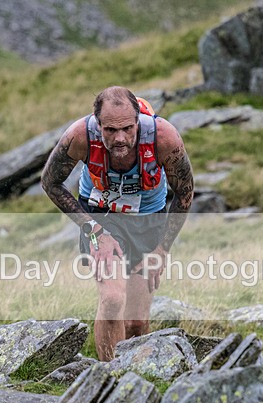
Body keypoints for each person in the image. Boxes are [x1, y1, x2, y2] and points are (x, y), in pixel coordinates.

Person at [41, 86, 194, 361]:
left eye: (127, 128)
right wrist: (93, 230)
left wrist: (162, 250)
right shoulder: (79, 136)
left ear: (138, 121)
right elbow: (49, 182)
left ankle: (139, 378)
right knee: (112, 300)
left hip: (148, 220)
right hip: (101, 218)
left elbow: (185, 192)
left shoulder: (164, 138)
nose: (120, 138)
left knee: (136, 322)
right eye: (110, 130)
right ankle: (109, 380)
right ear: (98, 124)